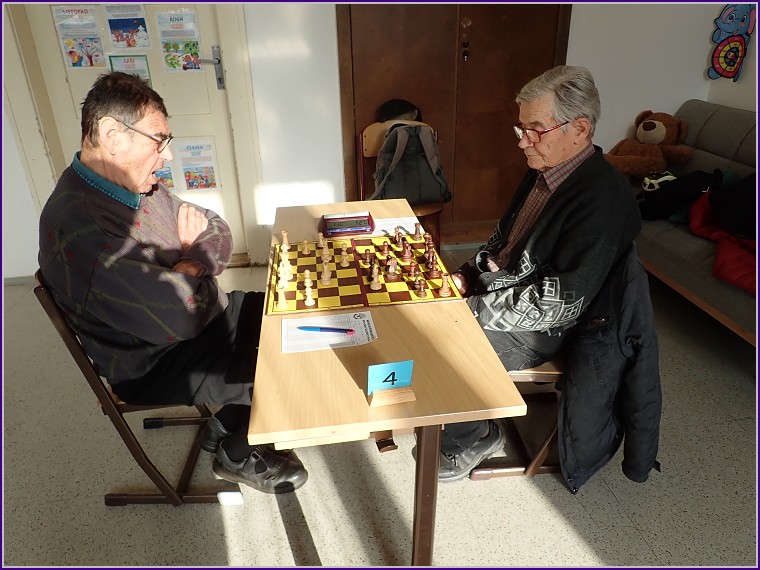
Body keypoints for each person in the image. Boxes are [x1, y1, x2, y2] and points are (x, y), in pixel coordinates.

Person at [38, 71, 307, 495]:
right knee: (297, 375)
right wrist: (192, 265)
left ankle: (226, 422)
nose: (166, 158)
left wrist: (189, 264)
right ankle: (235, 454)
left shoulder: (135, 186)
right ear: (112, 135)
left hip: (204, 316)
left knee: (294, 312)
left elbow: (216, 227)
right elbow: (178, 319)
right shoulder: (83, 228)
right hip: (156, 361)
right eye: (158, 141)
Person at [433, 65, 645, 482]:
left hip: (548, 326)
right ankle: (462, 409)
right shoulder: (544, 169)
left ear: (579, 129)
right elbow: (502, 243)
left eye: (535, 130)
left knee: (441, 342)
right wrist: (465, 277)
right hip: (507, 292)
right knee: (424, 310)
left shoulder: (603, 199)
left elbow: (558, 303)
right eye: (521, 129)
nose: (522, 142)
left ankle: (475, 435)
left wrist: (471, 310)